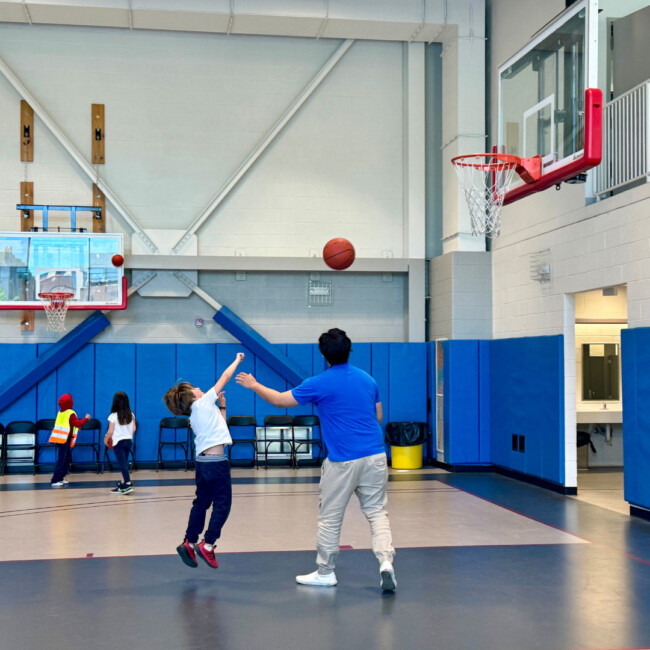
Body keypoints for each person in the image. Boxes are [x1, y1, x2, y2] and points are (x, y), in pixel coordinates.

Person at [236, 328, 396, 592]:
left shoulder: (319, 382)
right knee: (377, 512)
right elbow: (378, 416)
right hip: (376, 456)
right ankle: (386, 562)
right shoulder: (368, 380)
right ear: (349, 349)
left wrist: (254, 385)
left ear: (324, 354)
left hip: (343, 461)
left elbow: (280, 401)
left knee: (330, 518)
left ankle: (326, 572)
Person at [163, 352, 245, 570]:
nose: (200, 388)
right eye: (196, 389)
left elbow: (220, 428)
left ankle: (189, 541)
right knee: (222, 504)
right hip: (217, 463)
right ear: (194, 397)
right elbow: (225, 377)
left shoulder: (196, 415)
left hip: (203, 462)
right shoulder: (202, 403)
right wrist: (236, 360)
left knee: (201, 502)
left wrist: (223, 406)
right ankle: (208, 545)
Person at [50, 393, 90, 488]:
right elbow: (77, 423)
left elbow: (69, 425)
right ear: (70, 403)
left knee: (66, 459)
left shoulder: (61, 412)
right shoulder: (70, 413)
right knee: (62, 460)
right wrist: (86, 419)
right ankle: (55, 480)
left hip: (60, 439)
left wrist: (76, 428)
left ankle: (61, 478)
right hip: (65, 440)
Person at [105, 391, 136, 495]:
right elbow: (134, 428)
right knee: (125, 462)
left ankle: (127, 483)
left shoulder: (113, 416)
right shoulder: (131, 414)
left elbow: (110, 431)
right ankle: (123, 483)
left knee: (122, 463)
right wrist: (126, 432)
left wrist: (106, 439)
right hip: (128, 441)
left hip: (118, 442)